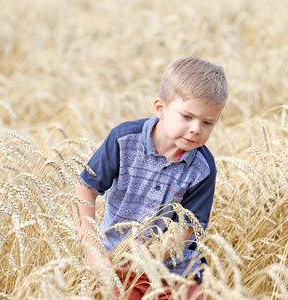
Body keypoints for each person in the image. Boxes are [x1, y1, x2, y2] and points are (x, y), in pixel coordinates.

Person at [73, 57, 228, 299]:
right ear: (160, 108)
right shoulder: (124, 140)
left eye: (208, 122)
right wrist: (91, 248)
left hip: (175, 269)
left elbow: (185, 228)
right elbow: (86, 189)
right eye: (187, 116)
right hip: (115, 260)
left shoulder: (202, 168)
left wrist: (142, 263)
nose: (196, 129)